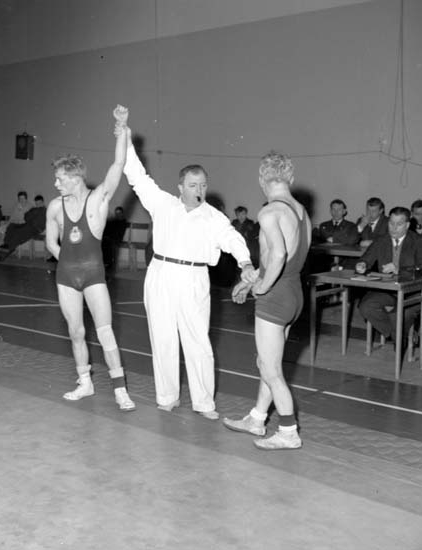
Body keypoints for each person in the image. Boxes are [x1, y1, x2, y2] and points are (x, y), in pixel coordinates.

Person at [123, 128, 254, 421]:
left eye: (203, 185)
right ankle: (167, 397)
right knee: (163, 339)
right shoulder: (163, 204)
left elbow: (232, 239)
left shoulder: (214, 217)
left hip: (194, 279)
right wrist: (125, 138)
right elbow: (136, 176)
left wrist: (245, 262)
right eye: (193, 185)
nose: (199, 190)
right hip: (161, 274)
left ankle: (204, 403)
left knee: (198, 342)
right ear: (180, 186)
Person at [45, 105, 135, 412]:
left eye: (60, 179)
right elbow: (50, 242)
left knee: (105, 331)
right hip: (66, 276)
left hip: (94, 275)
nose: (56, 184)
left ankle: (120, 390)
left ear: (74, 178)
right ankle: (85, 383)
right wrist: (66, 261)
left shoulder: (98, 199)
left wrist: (122, 127)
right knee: (76, 332)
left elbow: (118, 164)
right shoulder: (55, 207)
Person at [224, 151, 312, 450]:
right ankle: (257, 418)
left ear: (262, 179)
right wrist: (251, 281)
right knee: (267, 361)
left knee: (271, 370)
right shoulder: (301, 211)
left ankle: (288, 431)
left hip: (276, 297)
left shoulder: (269, 211)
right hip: (294, 293)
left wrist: (261, 287)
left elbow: (278, 254)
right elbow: (291, 257)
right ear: (291, 178)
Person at [356, 206, 422, 346]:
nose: (394, 228)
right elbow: (366, 258)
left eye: (399, 224)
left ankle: (399, 338)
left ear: (407, 225)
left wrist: (398, 270)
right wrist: (362, 264)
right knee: (366, 306)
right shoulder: (381, 240)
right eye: (391, 223)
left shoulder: (419, 241)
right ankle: (401, 336)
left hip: (413, 292)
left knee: (398, 314)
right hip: (388, 290)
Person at [0, 195, 47, 261]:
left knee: (18, 234)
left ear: (43, 202)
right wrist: (32, 215)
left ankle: (5, 253)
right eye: (37, 203)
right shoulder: (33, 209)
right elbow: (26, 217)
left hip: (35, 228)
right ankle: (6, 244)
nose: (38, 205)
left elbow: (37, 221)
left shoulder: (45, 210)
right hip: (27, 225)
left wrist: (31, 215)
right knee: (12, 226)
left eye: (39, 203)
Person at [101, 206, 128, 273]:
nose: (118, 214)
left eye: (119, 213)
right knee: (104, 243)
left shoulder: (123, 221)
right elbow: (108, 229)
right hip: (110, 238)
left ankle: (109, 265)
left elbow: (119, 233)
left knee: (109, 244)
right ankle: (105, 264)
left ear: (122, 213)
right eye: (116, 213)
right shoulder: (114, 221)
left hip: (117, 239)